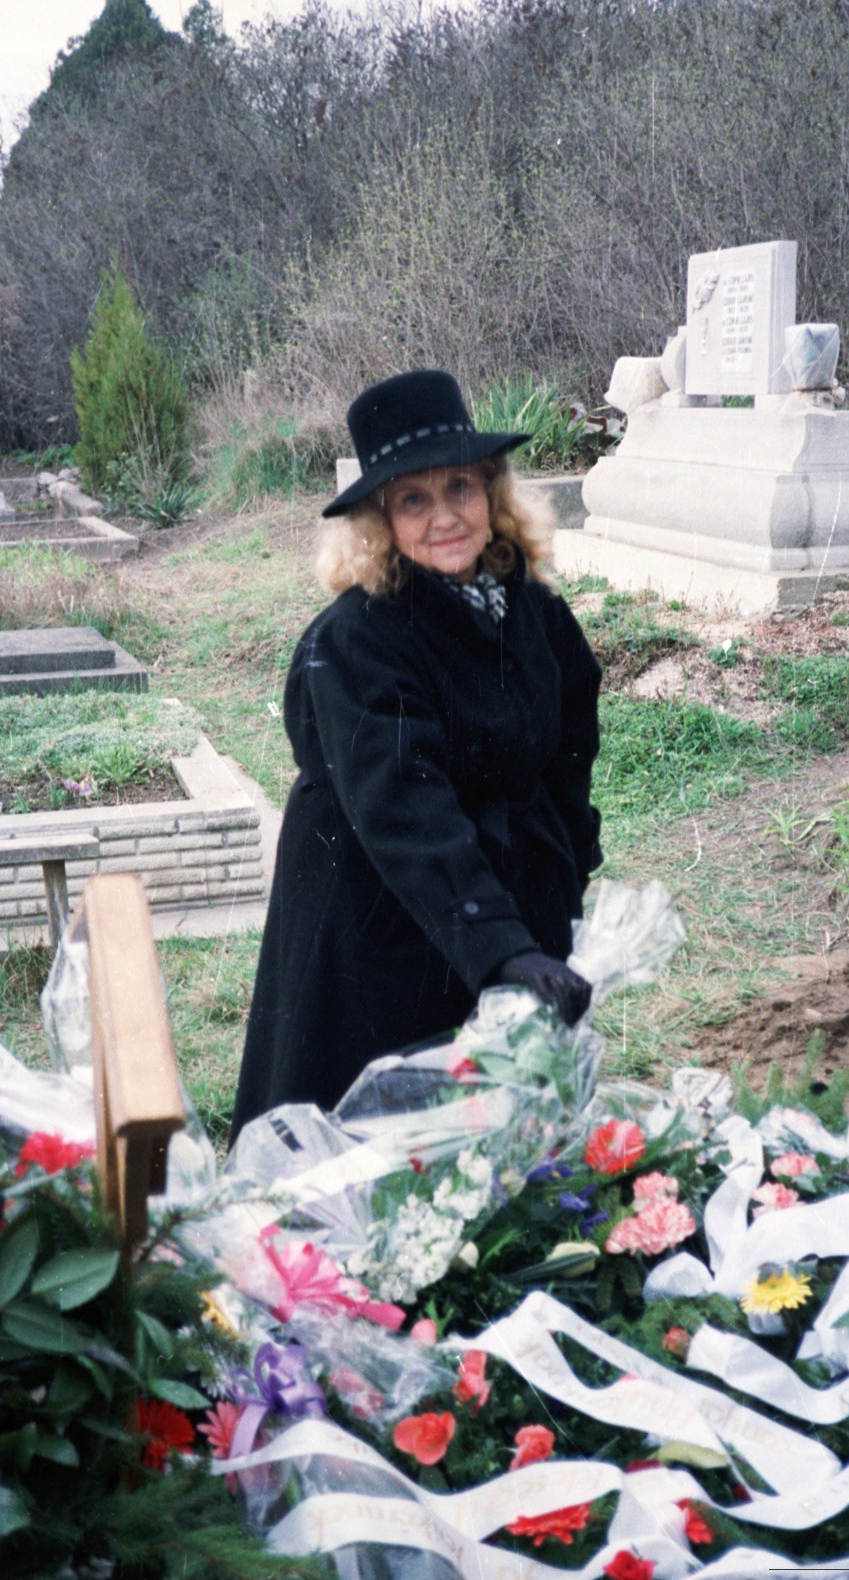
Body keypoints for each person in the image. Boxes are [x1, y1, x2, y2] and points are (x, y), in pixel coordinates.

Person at [229, 369, 602, 1145]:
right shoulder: (356, 639)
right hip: (372, 911)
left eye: (459, 488)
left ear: (492, 494)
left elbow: (567, 759)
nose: (444, 517)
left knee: (498, 1137)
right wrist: (499, 943)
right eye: (413, 500)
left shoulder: (537, 614)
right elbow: (404, 800)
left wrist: (563, 899)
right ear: (378, 520)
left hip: (490, 895)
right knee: (369, 1145)